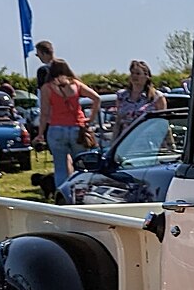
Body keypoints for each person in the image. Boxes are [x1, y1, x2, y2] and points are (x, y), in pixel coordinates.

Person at [34, 59, 100, 194]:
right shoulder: (76, 84)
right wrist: (91, 118)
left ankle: (63, 195)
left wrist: (40, 133)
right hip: (77, 128)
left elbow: (45, 113)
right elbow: (96, 98)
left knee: (61, 167)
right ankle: (82, 192)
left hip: (56, 128)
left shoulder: (47, 88)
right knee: (81, 166)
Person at [112, 60, 167, 140]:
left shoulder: (157, 97)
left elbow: (162, 124)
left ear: (146, 76)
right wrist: (113, 144)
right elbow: (118, 123)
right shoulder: (122, 96)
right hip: (125, 142)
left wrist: (170, 145)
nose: (134, 76)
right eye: (132, 73)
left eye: (138, 74)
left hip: (148, 141)